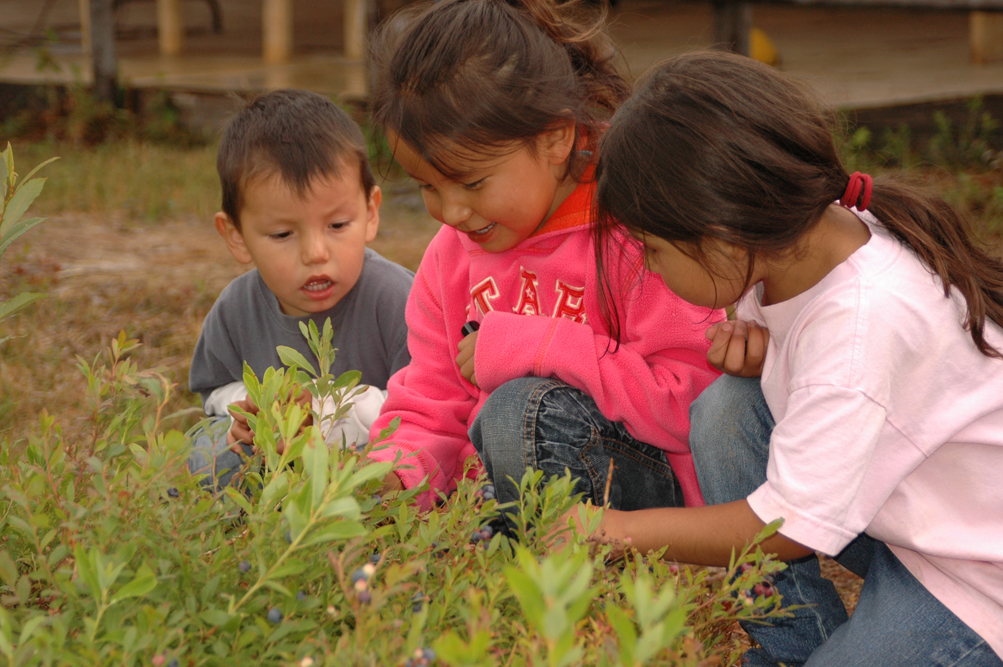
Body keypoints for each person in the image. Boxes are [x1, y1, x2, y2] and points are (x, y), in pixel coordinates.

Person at [590, 51, 1003, 666]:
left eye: (652, 248)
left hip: (976, 577)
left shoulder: (862, 324)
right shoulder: (803, 240)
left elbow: (783, 528)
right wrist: (771, 364)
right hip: (906, 520)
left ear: (723, 236)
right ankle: (790, 645)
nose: (646, 266)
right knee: (730, 406)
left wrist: (614, 529)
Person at [365, 0, 723, 517]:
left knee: (518, 411)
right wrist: (393, 476)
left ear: (554, 139)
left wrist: (546, 347)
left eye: (471, 182)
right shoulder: (450, 256)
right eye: (427, 186)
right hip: (500, 500)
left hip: (642, 509)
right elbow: (431, 399)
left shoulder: (641, 235)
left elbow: (694, 407)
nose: (451, 211)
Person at [188, 90, 413, 490]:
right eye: (282, 234)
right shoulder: (236, 308)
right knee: (204, 451)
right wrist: (252, 412)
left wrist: (325, 413)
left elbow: (425, 405)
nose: (316, 253)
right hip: (270, 458)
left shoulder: (396, 298)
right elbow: (212, 390)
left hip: (364, 462)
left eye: (338, 225)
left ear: (371, 212)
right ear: (236, 236)